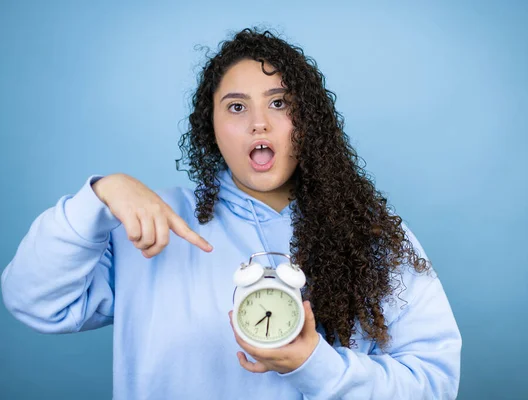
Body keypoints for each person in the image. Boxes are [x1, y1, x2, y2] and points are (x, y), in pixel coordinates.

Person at [1, 27, 462, 399]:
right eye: (237, 107)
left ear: (310, 121)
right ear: (213, 129)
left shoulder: (371, 236)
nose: (259, 122)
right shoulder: (152, 224)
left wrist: (312, 365)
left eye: (279, 103)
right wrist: (98, 197)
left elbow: (435, 384)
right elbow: (34, 301)